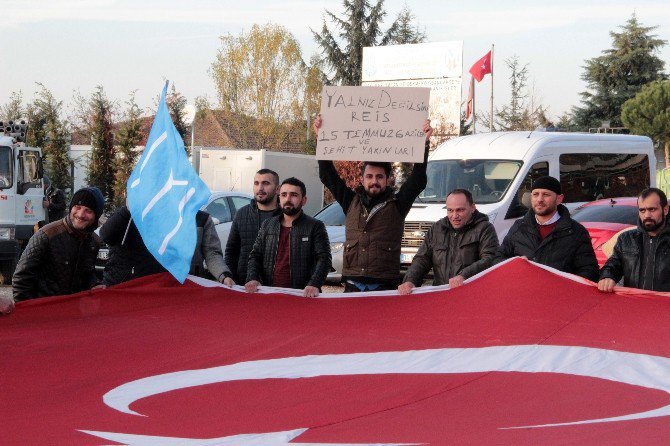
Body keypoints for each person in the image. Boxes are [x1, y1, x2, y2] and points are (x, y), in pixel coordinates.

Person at [314, 115, 433, 292]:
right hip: (353, 284)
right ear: (362, 179)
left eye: (379, 177)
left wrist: (424, 144)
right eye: (369, 177)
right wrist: (321, 139)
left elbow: (417, 181)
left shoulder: (398, 204)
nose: (374, 181)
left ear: (388, 179)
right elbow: (327, 175)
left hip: (385, 284)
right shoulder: (350, 201)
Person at [494, 175, 598, 281]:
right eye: (535, 194)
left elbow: (589, 270)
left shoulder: (576, 232)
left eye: (546, 195)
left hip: (558, 295)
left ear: (559, 199)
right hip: (523, 293)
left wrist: (564, 284)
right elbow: (498, 258)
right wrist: (514, 265)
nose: (539, 199)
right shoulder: (519, 227)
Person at [100, 204, 233, 286]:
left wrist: (223, 275)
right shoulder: (150, 213)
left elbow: (212, 253)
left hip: (191, 284)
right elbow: (106, 235)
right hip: (157, 285)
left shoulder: (202, 219)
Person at [398, 189, 499, 294]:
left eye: (460, 210)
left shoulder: (485, 229)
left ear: (472, 208)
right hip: (441, 295)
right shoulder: (437, 228)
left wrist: (464, 276)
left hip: (471, 295)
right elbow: (422, 259)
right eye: (450, 210)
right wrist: (410, 281)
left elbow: (490, 258)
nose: (454, 216)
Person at [13, 186, 104, 301]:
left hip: (73, 314)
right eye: (78, 207)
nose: (81, 214)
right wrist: (28, 312)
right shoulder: (47, 235)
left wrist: (95, 284)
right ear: (71, 207)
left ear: (96, 215)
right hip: (44, 312)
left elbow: (87, 275)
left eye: (88, 211)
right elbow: (22, 278)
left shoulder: (94, 242)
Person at [245, 177, 331, 297]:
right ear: (279, 198)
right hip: (270, 294)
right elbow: (255, 256)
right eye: (284, 195)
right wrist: (252, 278)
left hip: (303, 296)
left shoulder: (315, 226)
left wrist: (314, 284)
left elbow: (324, 259)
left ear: (304, 200)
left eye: (294, 195)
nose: (288, 199)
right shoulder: (268, 225)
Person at [598, 187, 670, 292]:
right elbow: (613, 265)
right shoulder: (626, 239)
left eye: (652, 209)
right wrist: (607, 277)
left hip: (664, 307)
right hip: (634, 306)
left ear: (665, 210)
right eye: (642, 210)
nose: (647, 215)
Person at [225, 169, 281, 285]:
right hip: (244, 285)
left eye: (266, 183)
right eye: (256, 183)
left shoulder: (286, 216)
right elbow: (231, 251)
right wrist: (232, 278)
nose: (260, 188)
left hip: (277, 287)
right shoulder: (241, 214)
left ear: (278, 189)